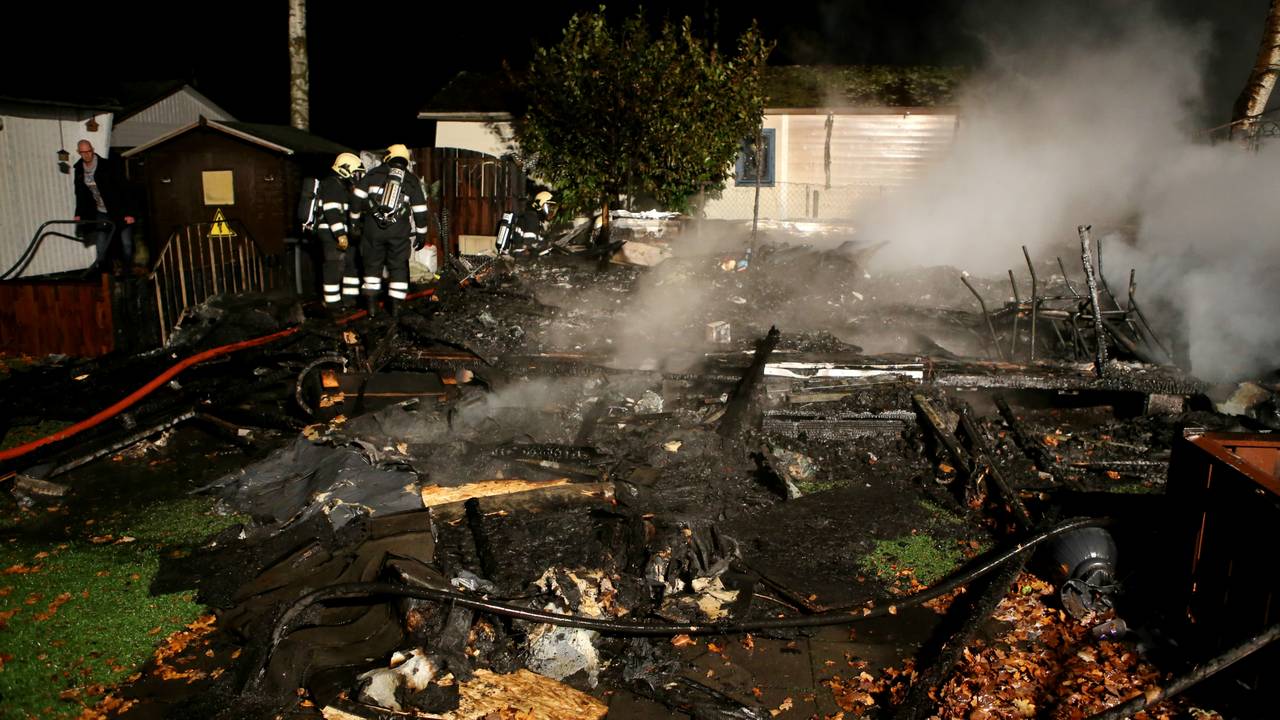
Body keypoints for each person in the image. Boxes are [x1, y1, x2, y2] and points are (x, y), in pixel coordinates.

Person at [349, 144, 429, 317]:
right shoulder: (411, 180)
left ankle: (371, 310)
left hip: (372, 231)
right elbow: (420, 211)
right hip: (398, 232)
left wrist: (354, 222)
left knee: (371, 267)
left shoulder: (373, 175)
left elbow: (356, 199)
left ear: (388, 157)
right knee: (398, 267)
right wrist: (422, 233)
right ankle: (396, 310)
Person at [72, 139, 135, 276]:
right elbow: (80, 194)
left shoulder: (107, 166)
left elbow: (124, 188)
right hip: (101, 212)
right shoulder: (79, 169)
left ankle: (127, 273)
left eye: (89, 151)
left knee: (127, 244)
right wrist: (78, 213)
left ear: (92, 149)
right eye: (83, 152)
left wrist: (129, 213)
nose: (87, 155)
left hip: (119, 210)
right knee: (101, 246)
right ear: (79, 152)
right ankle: (104, 275)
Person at [316, 152, 365, 312]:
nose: (356, 176)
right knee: (334, 267)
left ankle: (349, 300)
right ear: (345, 169)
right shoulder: (331, 184)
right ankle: (332, 303)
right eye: (354, 171)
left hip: (344, 233)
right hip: (332, 234)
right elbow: (331, 212)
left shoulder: (342, 186)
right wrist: (340, 235)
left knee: (351, 265)